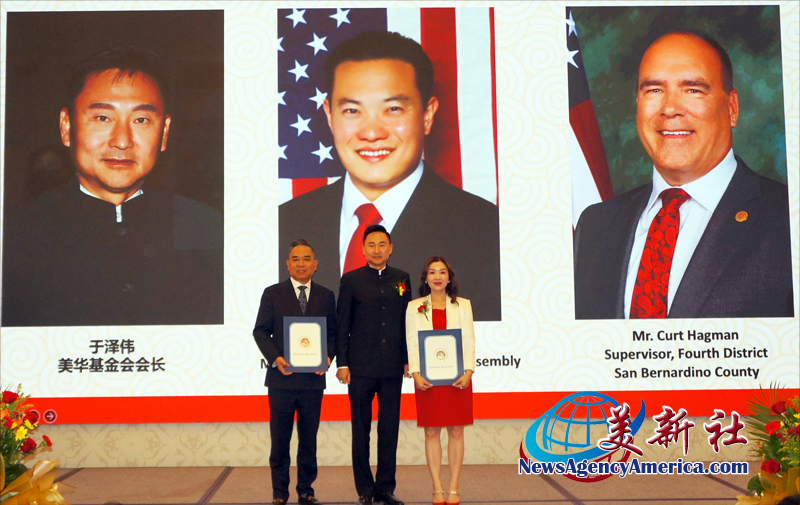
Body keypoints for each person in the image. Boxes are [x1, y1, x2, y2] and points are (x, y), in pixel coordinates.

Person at [279, 30, 501, 321]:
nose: (371, 133)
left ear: (427, 115)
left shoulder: (487, 232)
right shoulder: (282, 223)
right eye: (352, 110)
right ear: (330, 116)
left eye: (393, 109)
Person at [573, 31, 793, 319]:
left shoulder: (787, 218)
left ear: (731, 108)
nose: (670, 109)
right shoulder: (595, 225)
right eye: (654, 90)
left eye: (693, 90)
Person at [2, 46, 223, 326]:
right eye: (102, 118)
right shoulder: (13, 234)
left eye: (141, 120)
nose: (121, 140)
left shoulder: (206, 227)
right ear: (67, 127)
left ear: (164, 133)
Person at [253, 239, 336, 505]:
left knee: (308, 441)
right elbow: (260, 331)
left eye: (306, 259)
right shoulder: (272, 294)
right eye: (296, 259)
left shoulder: (326, 296)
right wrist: (275, 357)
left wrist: (328, 357)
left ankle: (306, 490)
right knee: (280, 442)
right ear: (287, 264)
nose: (301, 264)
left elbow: (333, 334)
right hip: (281, 381)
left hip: (313, 381)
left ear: (316, 264)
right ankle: (279, 493)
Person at [336, 225, 411, 505]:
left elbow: (407, 322)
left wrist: (408, 359)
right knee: (361, 430)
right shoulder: (351, 280)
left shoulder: (401, 279)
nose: (377, 250)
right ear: (363, 249)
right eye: (371, 245)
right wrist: (342, 362)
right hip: (360, 368)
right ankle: (365, 490)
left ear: (390, 248)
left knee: (389, 429)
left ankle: (385, 489)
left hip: (392, 367)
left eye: (382, 245)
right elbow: (342, 324)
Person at [405, 257, 475, 505]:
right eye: (432, 272)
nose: (437, 277)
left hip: (457, 378)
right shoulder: (414, 307)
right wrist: (415, 373)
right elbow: (412, 342)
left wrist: (468, 371)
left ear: (449, 277)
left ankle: (454, 486)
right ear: (425, 278)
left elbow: (468, 340)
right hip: (428, 379)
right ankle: (436, 486)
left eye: (442, 272)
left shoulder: (463, 305)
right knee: (431, 431)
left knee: (456, 430)